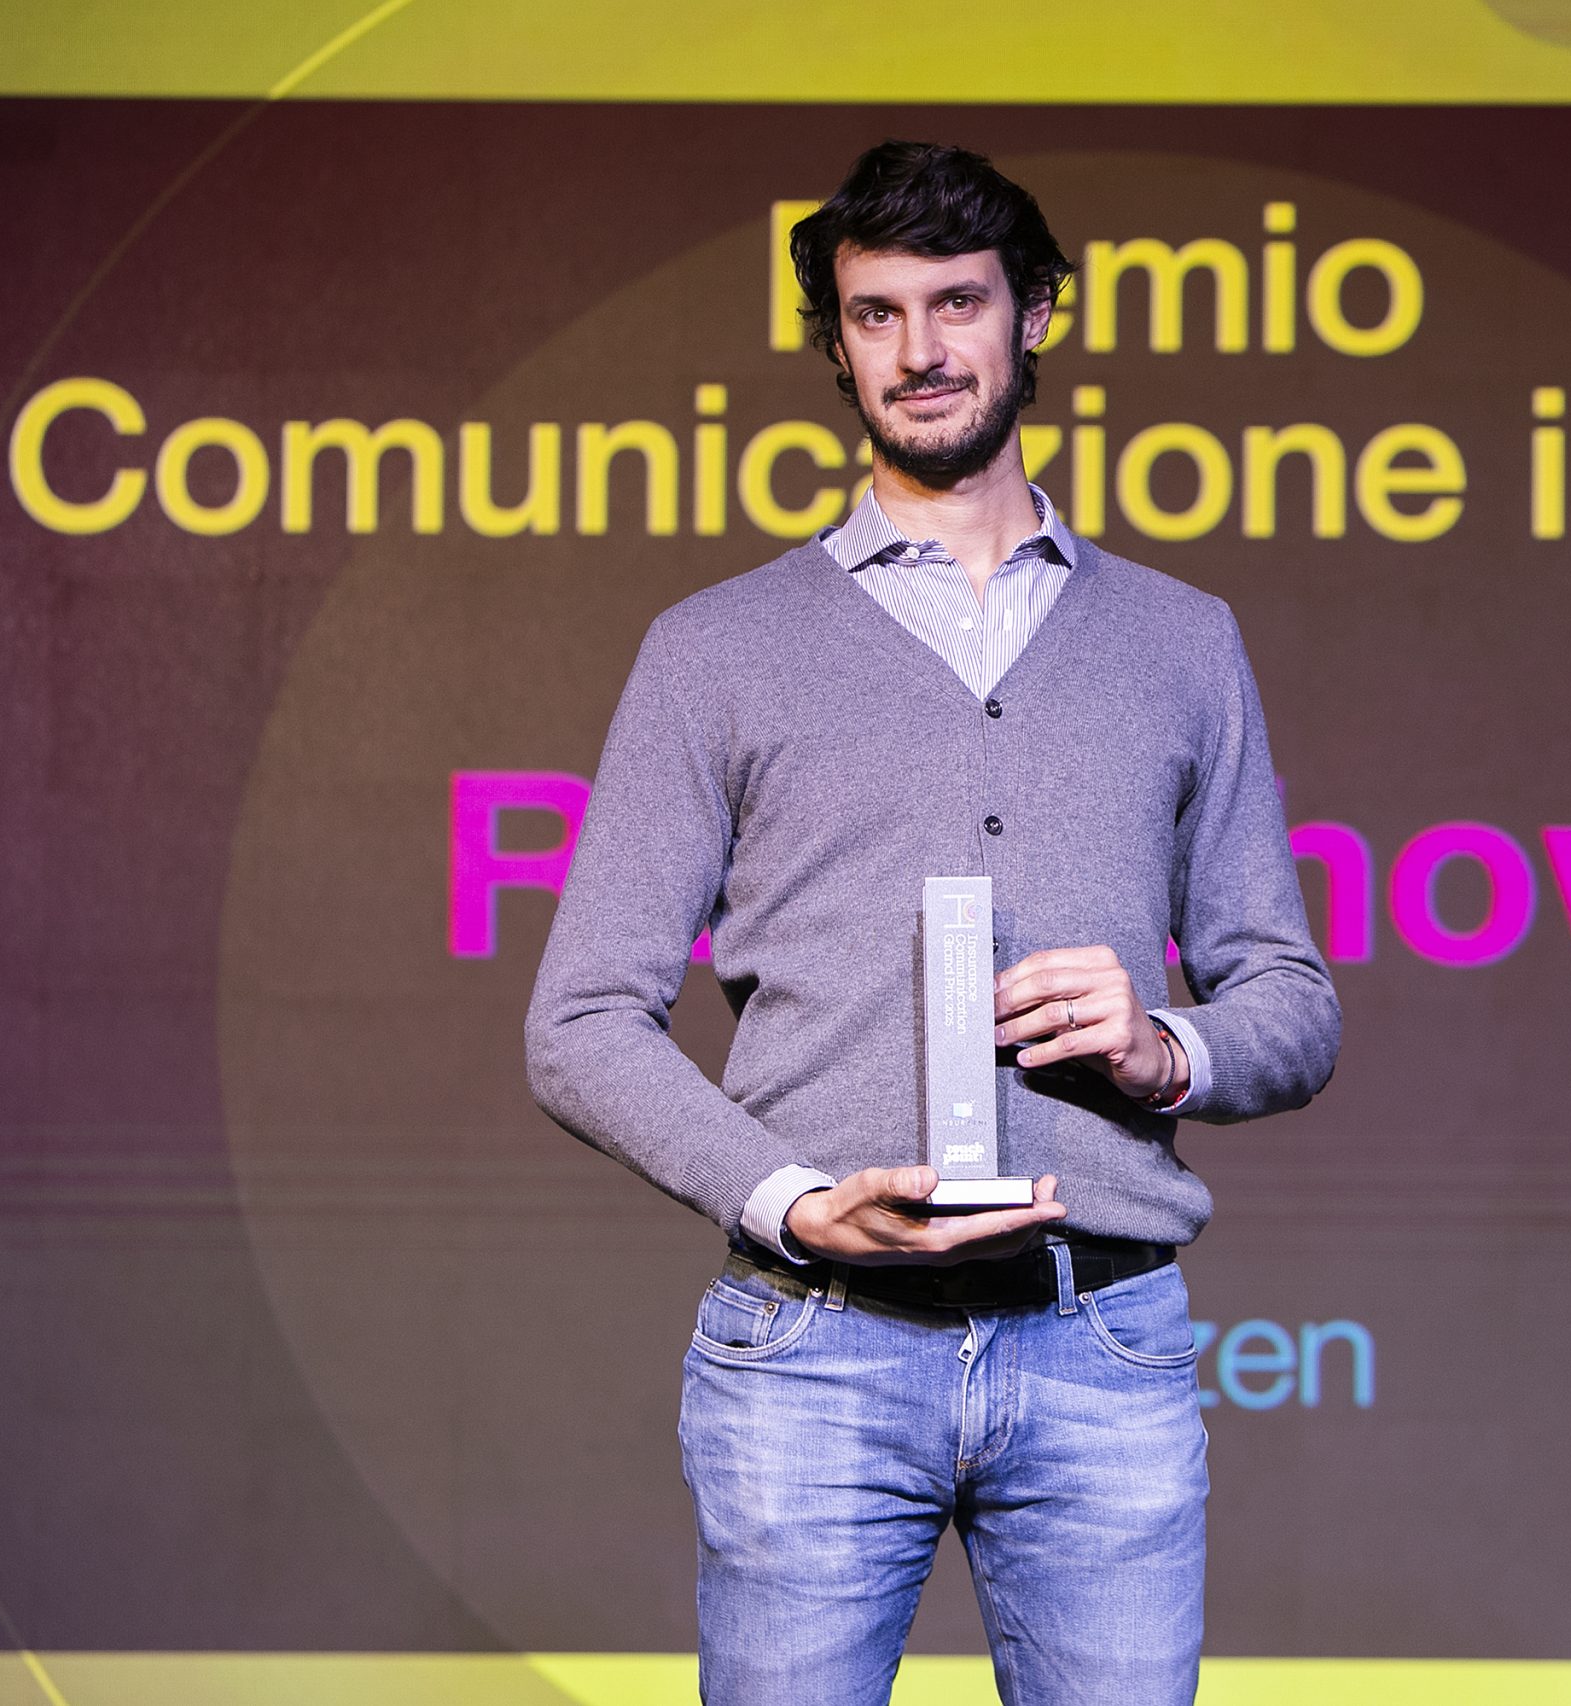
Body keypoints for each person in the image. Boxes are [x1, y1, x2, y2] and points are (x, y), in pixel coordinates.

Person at [524, 139, 1341, 1706]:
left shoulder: (1181, 641)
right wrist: (787, 1201)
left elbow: (1291, 1000)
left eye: (957, 303)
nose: (919, 350)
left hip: (1100, 1339)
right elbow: (578, 1022)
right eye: (877, 314)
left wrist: (1164, 1049)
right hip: (813, 1348)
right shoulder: (716, 649)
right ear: (836, 346)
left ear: (1038, 314)